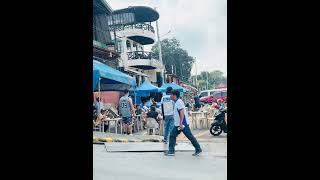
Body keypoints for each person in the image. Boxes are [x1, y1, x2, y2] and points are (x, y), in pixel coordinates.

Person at [165, 90, 202, 156]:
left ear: (174, 95)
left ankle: (198, 149)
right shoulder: (176, 102)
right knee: (172, 135)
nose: (170, 96)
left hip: (182, 124)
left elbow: (181, 113)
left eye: (171, 95)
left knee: (190, 136)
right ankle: (171, 151)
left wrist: (181, 123)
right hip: (178, 124)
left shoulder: (179, 102)